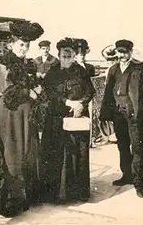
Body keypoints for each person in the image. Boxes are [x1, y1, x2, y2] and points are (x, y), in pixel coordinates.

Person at [0, 20, 44, 216]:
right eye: (20, 45)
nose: (24, 48)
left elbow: (31, 84)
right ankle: (10, 200)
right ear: (11, 44)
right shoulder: (4, 63)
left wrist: (36, 88)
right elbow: (7, 91)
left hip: (26, 114)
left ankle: (26, 195)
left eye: (27, 45)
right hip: (10, 113)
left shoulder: (26, 63)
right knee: (12, 152)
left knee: (27, 150)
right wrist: (31, 92)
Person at [99, 39, 143, 198]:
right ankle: (127, 175)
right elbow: (107, 93)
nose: (122, 55)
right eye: (119, 51)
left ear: (131, 52)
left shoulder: (142, 68)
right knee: (122, 146)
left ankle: (139, 182)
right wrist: (104, 114)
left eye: (125, 51)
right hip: (119, 114)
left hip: (136, 114)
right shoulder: (113, 69)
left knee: (138, 148)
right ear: (116, 52)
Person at [40, 37, 95, 203]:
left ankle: (77, 192)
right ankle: (57, 194)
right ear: (59, 55)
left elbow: (90, 91)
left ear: (73, 56)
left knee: (77, 155)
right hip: (56, 118)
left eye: (69, 56)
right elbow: (49, 92)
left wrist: (81, 104)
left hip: (76, 118)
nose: (66, 59)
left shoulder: (81, 71)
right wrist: (67, 102)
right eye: (63, 56)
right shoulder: (53, 71)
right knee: (58, 155)